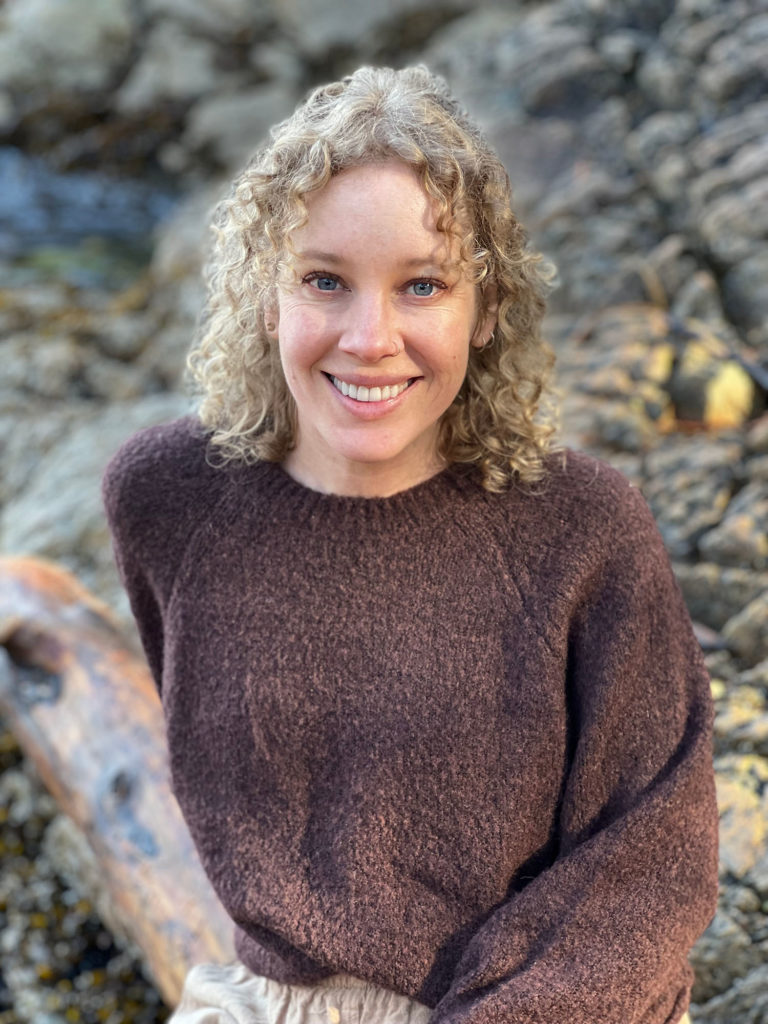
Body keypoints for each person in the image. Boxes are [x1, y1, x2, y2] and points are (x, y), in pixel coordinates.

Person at [102, 65, 718, 1024]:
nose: (371, 335)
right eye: (324, 282)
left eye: (422, 286)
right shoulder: (168, 499)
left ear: (485, 313)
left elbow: (655, 862)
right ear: (266, 298)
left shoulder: (582, 528)